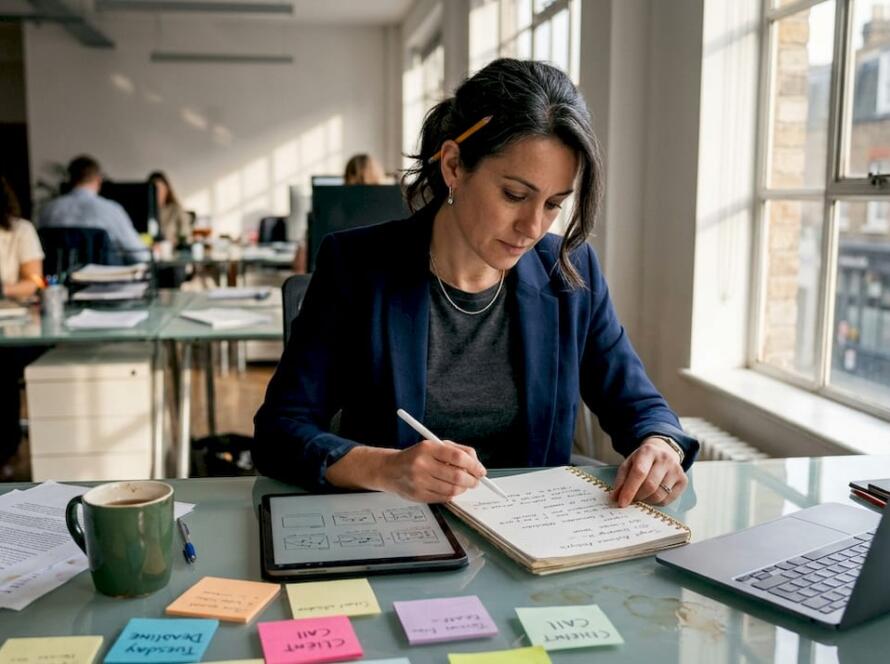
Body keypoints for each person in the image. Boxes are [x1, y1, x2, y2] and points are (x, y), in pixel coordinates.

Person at [254, 59, 699, 508]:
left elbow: (641, 406)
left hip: (530, 533)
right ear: (454, 166)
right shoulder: (357, 266)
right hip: (393, 524)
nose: (532, 227)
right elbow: (279, 431)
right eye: (515, 195)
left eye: (553, 204)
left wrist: (660, 445)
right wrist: (385, 468)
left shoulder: (568, 271)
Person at [0, 177, 45, 476]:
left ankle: (6, 451)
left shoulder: (20, 230)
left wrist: (3, 289)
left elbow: (33, 282)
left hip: (13, 322)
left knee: (2, 366)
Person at [38, 155, 149, 263]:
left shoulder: (48, 210)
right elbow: (140, 255)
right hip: (104, 274)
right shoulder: (110, 209)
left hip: (59, 275)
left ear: (70, 179)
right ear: (98, 180)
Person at [148, 171, 191, 245]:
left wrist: (173, 242)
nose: (157, 194)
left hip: (170, 250)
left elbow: (186, 236)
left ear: (167, 190)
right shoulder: (144, 211)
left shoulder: (176, 209)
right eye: (154, 191)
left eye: (160, 190)